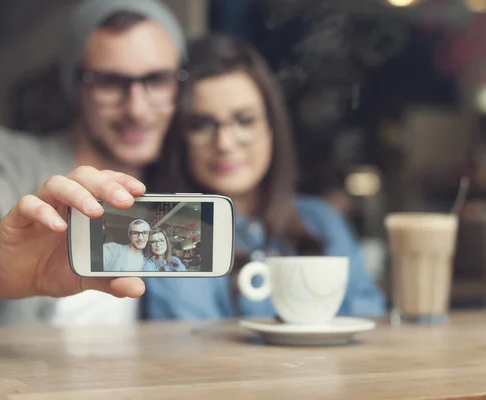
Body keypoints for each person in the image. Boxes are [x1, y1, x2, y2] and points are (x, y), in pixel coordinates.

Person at [0, 0, 187, 328]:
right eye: (109, 82)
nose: (136, 108)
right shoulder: (4, 156)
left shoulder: (179, 188)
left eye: (157, 80)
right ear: (75, 87)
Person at [142, 34, 386, 320]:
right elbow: (188, 348)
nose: (224, 143)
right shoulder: (172, 232)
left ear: (272, 127)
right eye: (200, 124)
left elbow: (371, 321)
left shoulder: (323, 222)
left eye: (245, 121)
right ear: (180, 137)